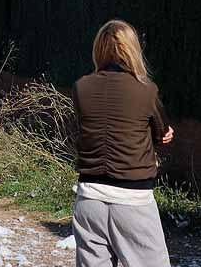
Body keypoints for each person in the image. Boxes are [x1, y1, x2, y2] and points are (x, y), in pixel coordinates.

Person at [71, 19, 174, 267]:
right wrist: (163, 135)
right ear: (132, 50)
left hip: (89, 199)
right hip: (133, 200)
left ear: (99, 49)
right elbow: (161, 133)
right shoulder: (146, 90)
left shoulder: (81, 87)